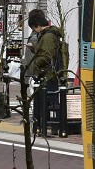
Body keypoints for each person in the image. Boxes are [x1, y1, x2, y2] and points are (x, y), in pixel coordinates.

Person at [25, 8, 65, 136]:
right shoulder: (47, 35)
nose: (34, 31)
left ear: (37, 25)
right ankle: (49, 125)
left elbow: (47, 55)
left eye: (33, 28)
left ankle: (53, 126)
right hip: (47, 73)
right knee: (48, 99)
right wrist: (34, 49)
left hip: (47, 73)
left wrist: (35, 62)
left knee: (50, 99)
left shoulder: (47, 36)